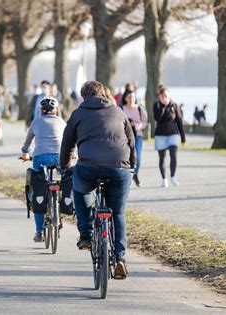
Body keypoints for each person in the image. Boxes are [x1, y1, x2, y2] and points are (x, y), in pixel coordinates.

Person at [60, 80, 135, 279]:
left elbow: (67, 144)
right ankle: (119, 257)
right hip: (119, 168)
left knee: (80, 189)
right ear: (103, 93)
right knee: (117, 212)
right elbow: (131, 141)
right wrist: (132, 165)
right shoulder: (119, 111)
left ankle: (85, 234)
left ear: (84, 96)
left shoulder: (78, 113)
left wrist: (65, 167)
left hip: (88, 167)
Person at [21, 96, 66, 242]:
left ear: (42, 111)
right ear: (56, 110)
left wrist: (24, 152)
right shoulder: (61, 122)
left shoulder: (36, 121)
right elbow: (69, 140)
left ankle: (39, 231)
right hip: (60, 157)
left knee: (37, 185)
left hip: (40, 157)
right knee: (63, 177)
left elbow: (27, 143)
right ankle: (59, 205)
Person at [153, 86, 185, 187]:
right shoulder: (156, 105)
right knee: (162, 158)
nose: (164, 97)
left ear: (169, 95)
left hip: (173, 134)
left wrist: (183, 136)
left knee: (173, 154)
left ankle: (173, 177)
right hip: (160, 135)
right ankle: (164, 179)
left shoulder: (174, 105)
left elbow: (179, 120)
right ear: (159, 97)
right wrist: (163, 107)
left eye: (166, 95)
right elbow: (158, 118)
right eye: (162, 96)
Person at [121, 89, 148, 187]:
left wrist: (138, 125)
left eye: (133, 97)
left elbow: (145, 122)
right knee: (126, 157)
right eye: (129, 97)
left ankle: (135, 175)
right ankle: (127, 177)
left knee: (138, 158)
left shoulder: (140, 109)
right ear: (125, 98)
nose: (131, 99)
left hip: (138, 136)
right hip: (124, 137)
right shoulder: (121, 109)